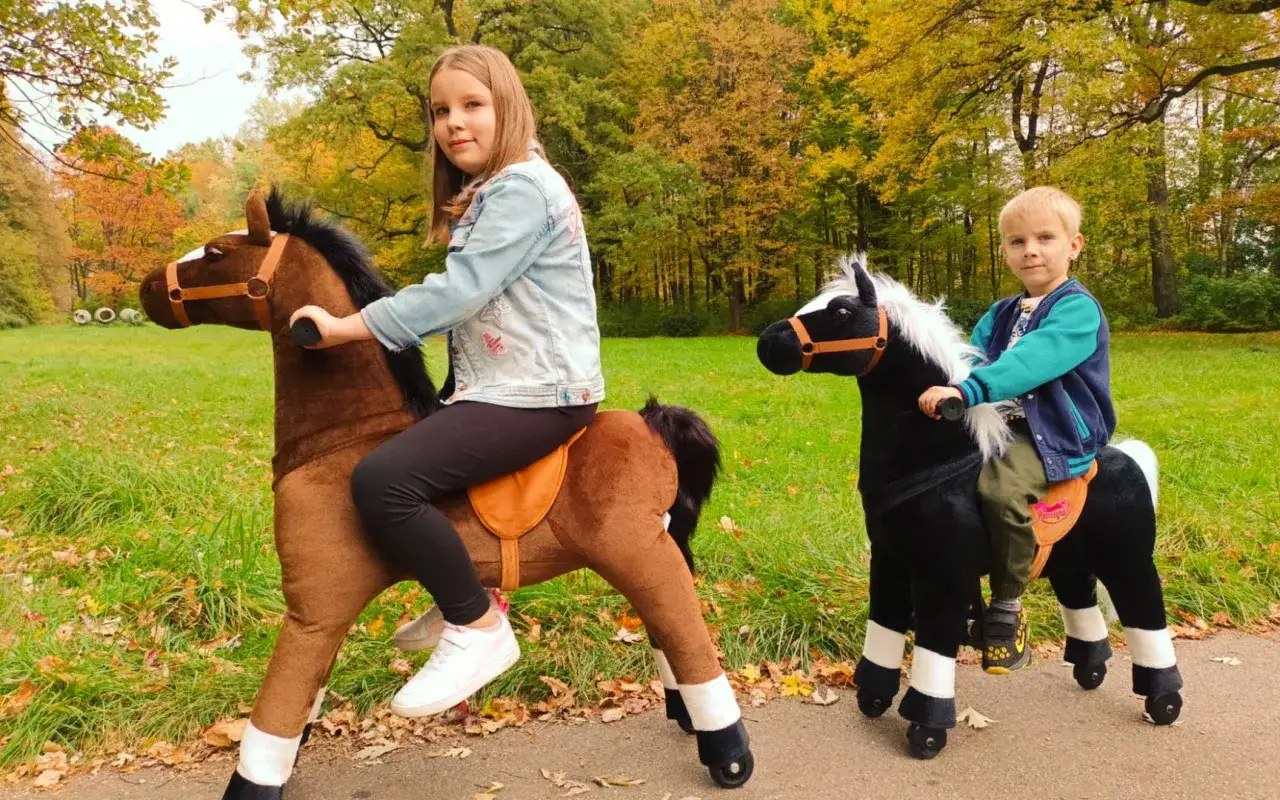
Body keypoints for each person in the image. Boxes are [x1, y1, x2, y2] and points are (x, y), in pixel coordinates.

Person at [289, 44, 604, 714]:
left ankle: (477, 626)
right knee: (411, 447)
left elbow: (460, 293)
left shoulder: (522, 188)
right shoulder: (499, 189)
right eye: (440, 111)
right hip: (505, 385)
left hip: (541, 393)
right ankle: (468, 588)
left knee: (383, 480)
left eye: (472, 105)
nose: (454, 123)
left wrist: (347, 326)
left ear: (507, 108)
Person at [918, 186, 1116, 673]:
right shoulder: (1002, 312)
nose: (1030, 249)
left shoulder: (1076, 310)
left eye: (1045, 237)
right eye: (1016, 240)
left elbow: (1031, 362)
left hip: (1051, 431)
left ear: (1074, 245)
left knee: (1002, 490)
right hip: (996, 423)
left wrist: (969, 392)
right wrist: (943, 385)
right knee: (939, 483)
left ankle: (1007, 606)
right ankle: (956, 587)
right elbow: (971, 360)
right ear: (1004, 251)